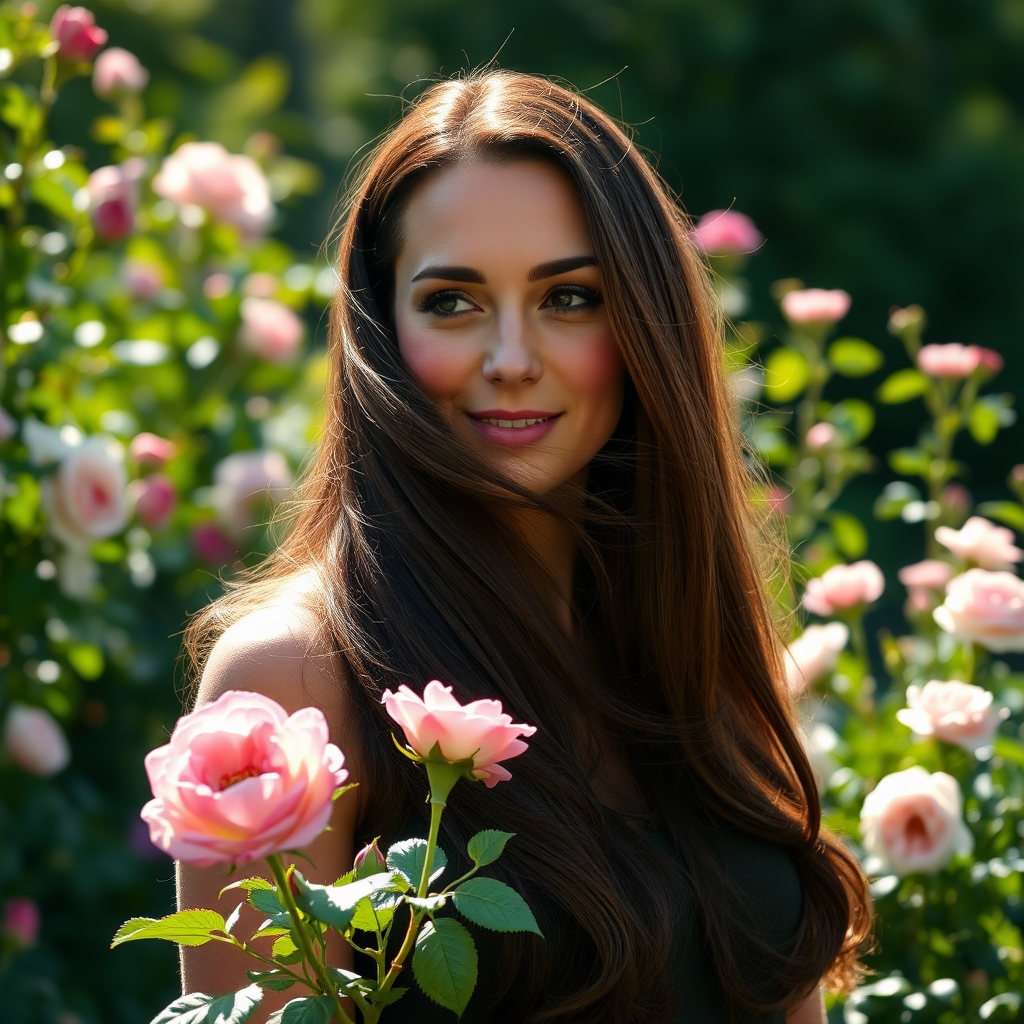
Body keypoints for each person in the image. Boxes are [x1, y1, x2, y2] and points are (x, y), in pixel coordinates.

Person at [176, 70, 873, 1024]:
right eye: (453, 303)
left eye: (571, 298)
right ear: (383, 330)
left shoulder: (701, 658)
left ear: (644, 325)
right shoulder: (298, 680)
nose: (511, 359)